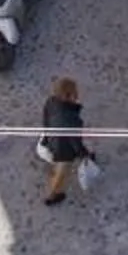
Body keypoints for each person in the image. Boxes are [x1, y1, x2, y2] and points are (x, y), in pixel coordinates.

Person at [40, 76, 94, 205]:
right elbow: (75, 142)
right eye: (75, 91)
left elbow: (46, 119)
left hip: (51, 139)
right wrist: (83, 154)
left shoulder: (51, 102)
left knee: (58, 165)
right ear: (69, 96)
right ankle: (53, 195)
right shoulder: (71, 119)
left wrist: (47, 138)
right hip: (62, 151)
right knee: (61, 173)